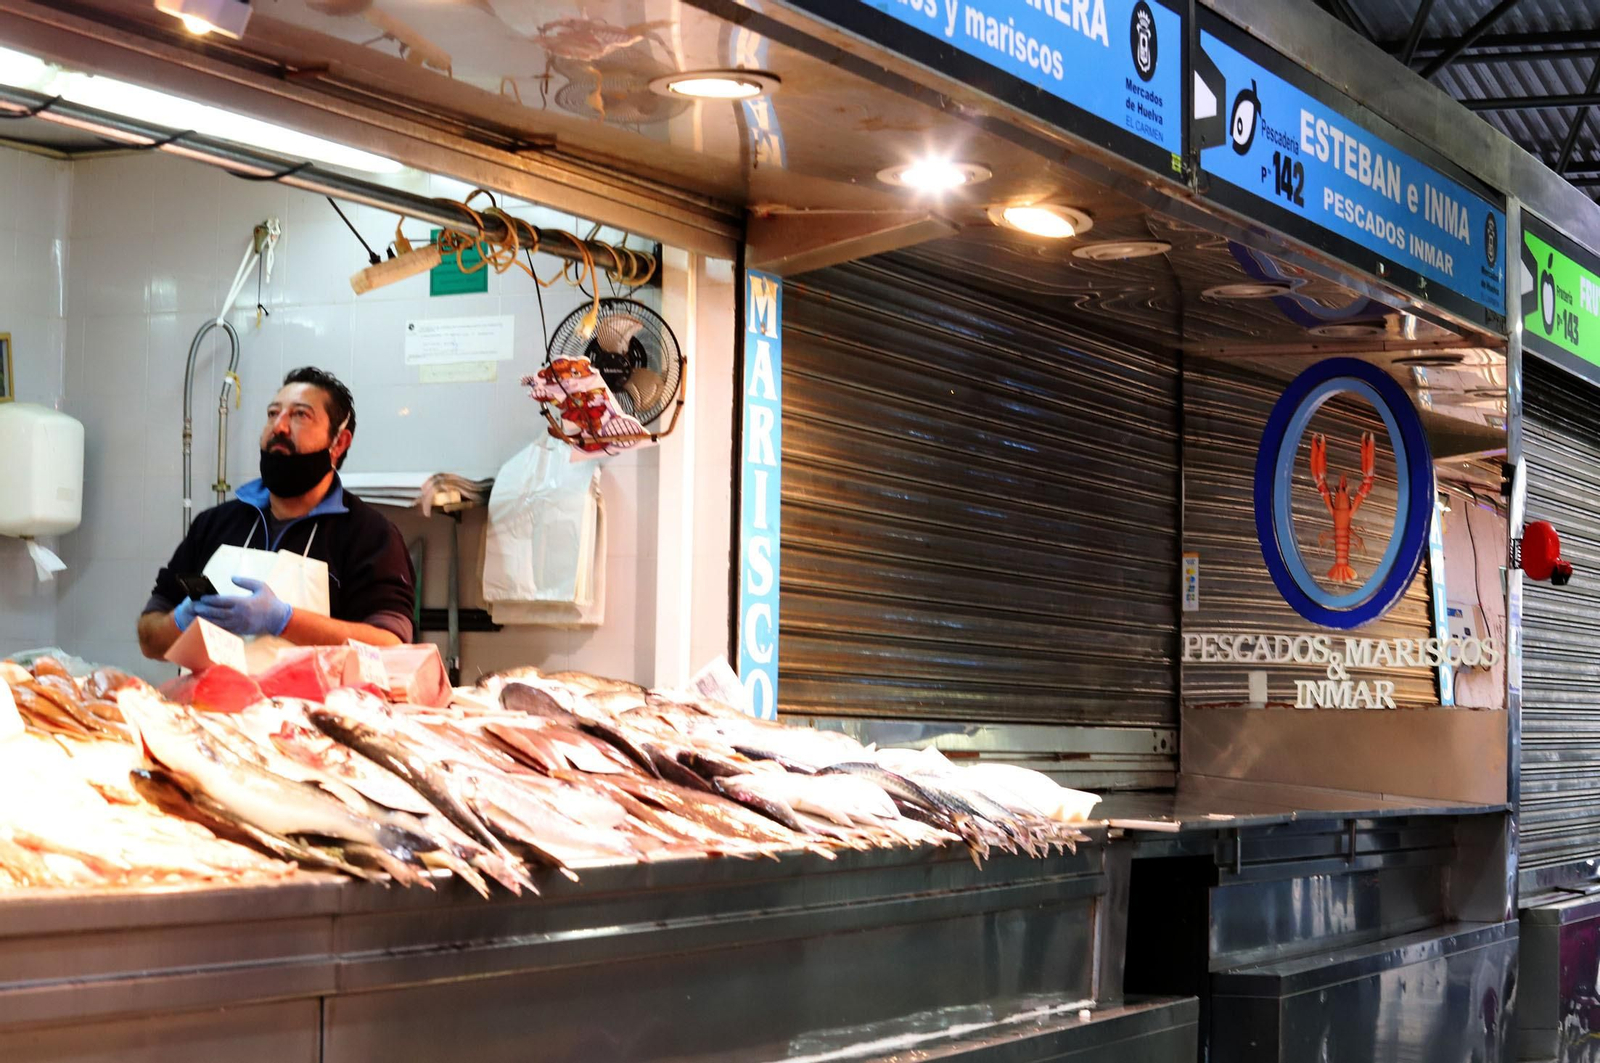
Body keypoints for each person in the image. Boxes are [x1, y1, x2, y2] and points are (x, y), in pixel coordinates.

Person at [138, 367, 415, 660]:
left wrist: (284, 620)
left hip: (318, 707)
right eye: (273, 413)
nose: (279, 427)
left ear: (339, 443)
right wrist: (181, 620)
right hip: (207, 704)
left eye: (300, 415)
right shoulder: (212, 525)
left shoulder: (370, 535)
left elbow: (391, 648)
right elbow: (149, 639)